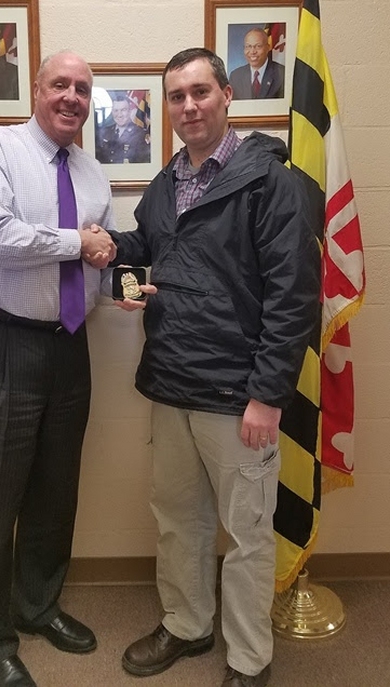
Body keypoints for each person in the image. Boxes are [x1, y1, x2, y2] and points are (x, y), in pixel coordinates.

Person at [108, 48, 320, 687]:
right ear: (166, 107)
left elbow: (293, 296)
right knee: (178, 520)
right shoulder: (165, 185)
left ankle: (250, 661)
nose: (189, 106)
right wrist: (109, 250)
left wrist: (267, 394)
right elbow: (146, 251)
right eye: (177, 96)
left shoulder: (270, 182)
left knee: (249, 536)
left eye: (200, 92)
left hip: (239, 396)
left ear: (227, 96)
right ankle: (186, 624)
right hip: (170, 385)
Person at [0, 50, 117, 687]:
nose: (72, 96)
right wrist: (80, 242)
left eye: (82, 88)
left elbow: (99, 256)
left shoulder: (94, 174)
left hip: (69, 343)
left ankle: (37, 603)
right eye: (60, 85)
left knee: (56, 488)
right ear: (37, 91)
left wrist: (116, 280)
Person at [228, 27, 285, 100]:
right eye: (248, 46)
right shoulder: (235, 76)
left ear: (267, 48)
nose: (252, 52)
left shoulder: (281, 74)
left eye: (258, 46)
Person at [95, 93, 150, 164]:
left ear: (129, 111)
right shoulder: (105, 132)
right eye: (116, 110)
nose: (119, 115)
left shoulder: (140, 134)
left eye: (123, 110)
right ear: (112, 112)